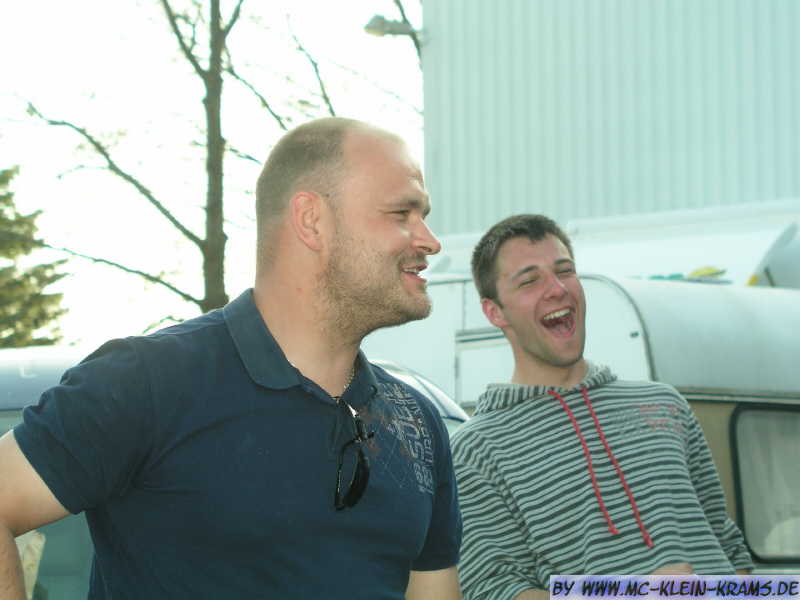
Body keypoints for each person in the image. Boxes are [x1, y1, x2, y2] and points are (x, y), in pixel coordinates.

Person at [0, 118, 462, 599]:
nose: (429, 240)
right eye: (401, 213)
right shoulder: (147, 382)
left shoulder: (417, 422)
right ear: (312, 220)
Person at [451, 214, 752, 600]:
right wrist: (635, 595)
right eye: (530, 281)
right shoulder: (475, 450)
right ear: (495, 312)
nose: (557, 288)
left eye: (565, 271)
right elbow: (496, 589)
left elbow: (728, 546)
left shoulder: (664, 404)